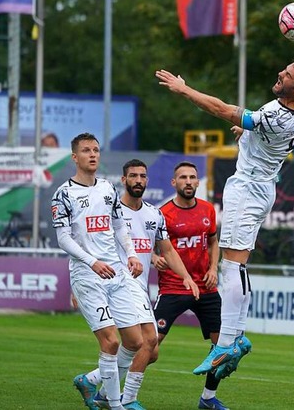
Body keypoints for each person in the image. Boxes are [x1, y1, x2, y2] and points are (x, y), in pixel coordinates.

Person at [156, 54, 294, 380]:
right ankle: (236, 337)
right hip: (261, 187)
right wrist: (250, 133)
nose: (281, 73)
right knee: (237, 264)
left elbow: (222, 109)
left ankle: (226, 342)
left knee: (230, 266)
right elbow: (267, 132)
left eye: (289, 74)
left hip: (248, 190)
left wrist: (184, 89)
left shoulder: (273, 114)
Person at [72, 159, 200, 410]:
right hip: (117, 283)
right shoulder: (109, 211)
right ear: (124, 180)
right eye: (133, 176)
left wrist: (186, 276)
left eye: (142, 176)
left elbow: (168, 250)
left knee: (148, 350)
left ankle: (93, 382)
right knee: (148, 340)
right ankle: (126, 400)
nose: (138, 180)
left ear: (147, 181)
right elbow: (86, 245)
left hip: (140, 285)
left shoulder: (154, 214)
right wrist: (78, 285)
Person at [51, 133, 144, 410]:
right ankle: (115, 405)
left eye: (96, 150)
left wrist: (131, 254)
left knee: (135, 341)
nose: (92, 154)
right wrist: (92, 262)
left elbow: (118, 225)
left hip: (115, 273)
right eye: (86, 150)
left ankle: (91, 381)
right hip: (88, 275)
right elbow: (63, 238)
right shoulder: (63, 194)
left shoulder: (106, 188)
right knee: (111, 341)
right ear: (74, 157)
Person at [152, 161, 229, 409]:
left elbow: (213, 241)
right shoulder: (163, 214)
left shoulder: (208, 210)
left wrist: (213, 267)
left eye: (192, 177)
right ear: (174, 183)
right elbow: (150, 247)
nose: (188, 181)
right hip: (174, 286)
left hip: (206, 287)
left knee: (223, 347)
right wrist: (154, 259)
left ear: (198, 182)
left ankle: (208, 398)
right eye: (182, 177)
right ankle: (114, 390)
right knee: (149, 345)